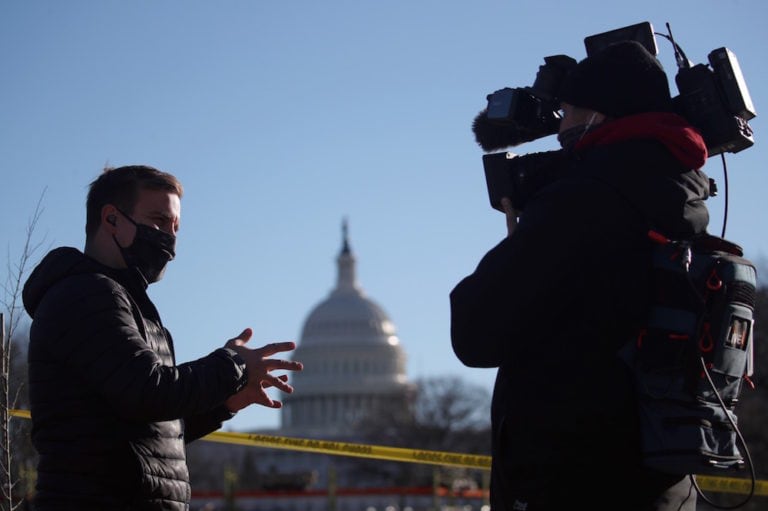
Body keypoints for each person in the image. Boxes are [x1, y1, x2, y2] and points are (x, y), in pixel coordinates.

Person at [450, 41, 710, 510]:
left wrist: (520, 243)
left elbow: (475, 332)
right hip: (662, 480)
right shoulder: (683, 201)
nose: (560, 128)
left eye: (568, 111)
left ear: (599, 115)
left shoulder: (584, 201)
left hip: (575, 475)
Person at [22, 164, 304, 510]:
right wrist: (233, 365)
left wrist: (225, 403)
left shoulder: (126, 304)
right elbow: (148, 391)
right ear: (111, 219)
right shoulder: (86, 296)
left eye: (175, 228)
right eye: (157, 221)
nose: (168, 238)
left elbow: (149, 429)